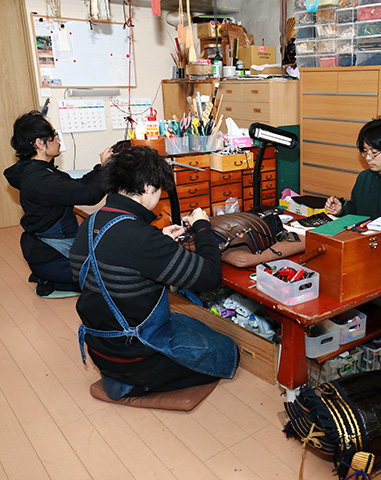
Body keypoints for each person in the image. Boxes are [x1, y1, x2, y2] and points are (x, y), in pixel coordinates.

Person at [70, 145, 238, 399]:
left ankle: (124, 374)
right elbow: (209, 277)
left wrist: (160, 240)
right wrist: (203, 227)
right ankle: (136, 383)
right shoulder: (141, 238)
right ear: (148, 186)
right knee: (227, 352)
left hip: (100, 346)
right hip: (134, 356)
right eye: (159, 188)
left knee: (189, 325)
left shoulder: (90, 223)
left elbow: (118, 259)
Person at [4, 110, 109, 297]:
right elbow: (89, 195)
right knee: (110, 278)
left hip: (46, 251)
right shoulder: (40, 179)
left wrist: (101, 168)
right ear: (40, 144)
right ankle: (51, 281)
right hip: (51, 256)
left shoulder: (38, 171)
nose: (58, 140)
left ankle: (51, 277)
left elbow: (77, 187)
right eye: (54, 136)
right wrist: (106, 169)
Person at [324, 117, 381, 219]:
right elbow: (354, 210)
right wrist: (340, 211)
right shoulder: (363, 177)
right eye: (365, 152)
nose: (368, 158)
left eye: (374, 153)